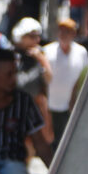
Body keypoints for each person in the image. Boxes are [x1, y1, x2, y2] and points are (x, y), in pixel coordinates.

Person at [42, 17, 88, 148]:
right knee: (52, 141)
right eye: (61, 31)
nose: (63, 34)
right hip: (51, 105)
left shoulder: (81, 52)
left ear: (73, 34)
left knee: (68, 142)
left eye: (67, 31)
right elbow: (43, 79)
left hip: (71, 105)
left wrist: (75, 96)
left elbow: (84, 76)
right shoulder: (47, 50)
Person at [11, 17, 53, 145]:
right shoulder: (13, 54)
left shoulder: (41, 54)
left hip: (36, 105)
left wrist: (41, 59)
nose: (36, 40)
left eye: (37, 36)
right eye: (32, 36)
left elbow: (49, 78)